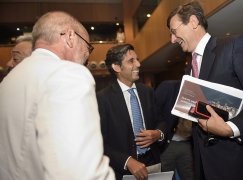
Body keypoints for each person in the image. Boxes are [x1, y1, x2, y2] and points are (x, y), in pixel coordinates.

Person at [167, 2, 243, 180]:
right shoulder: (189, 66)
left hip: (237, 165)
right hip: (203, 165)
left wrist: (231, 128)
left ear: (193, 21)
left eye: (173, 31)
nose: (172, 40)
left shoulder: (234, 46)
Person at [0, 11, 114, 180]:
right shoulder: (68, 74)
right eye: (88, 47)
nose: (87, 55)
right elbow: (82, 172)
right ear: (70, 36)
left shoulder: (8, 82)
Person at [97, 43, 165, 180]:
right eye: (131, 61)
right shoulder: (102, 98)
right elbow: (99, 142)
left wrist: (158, 133)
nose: (138, 64)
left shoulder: (147, 92)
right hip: (123, 171)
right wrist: (127, 161)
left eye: (137, 59)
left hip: (153, 165)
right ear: (116, 67)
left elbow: (161, 121)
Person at [155, 80, 194, 180]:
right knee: (166, 176)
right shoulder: (169, 86)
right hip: (167, 143)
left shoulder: (200, 93)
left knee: (189, 175)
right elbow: (154, 111)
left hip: (187, 143)